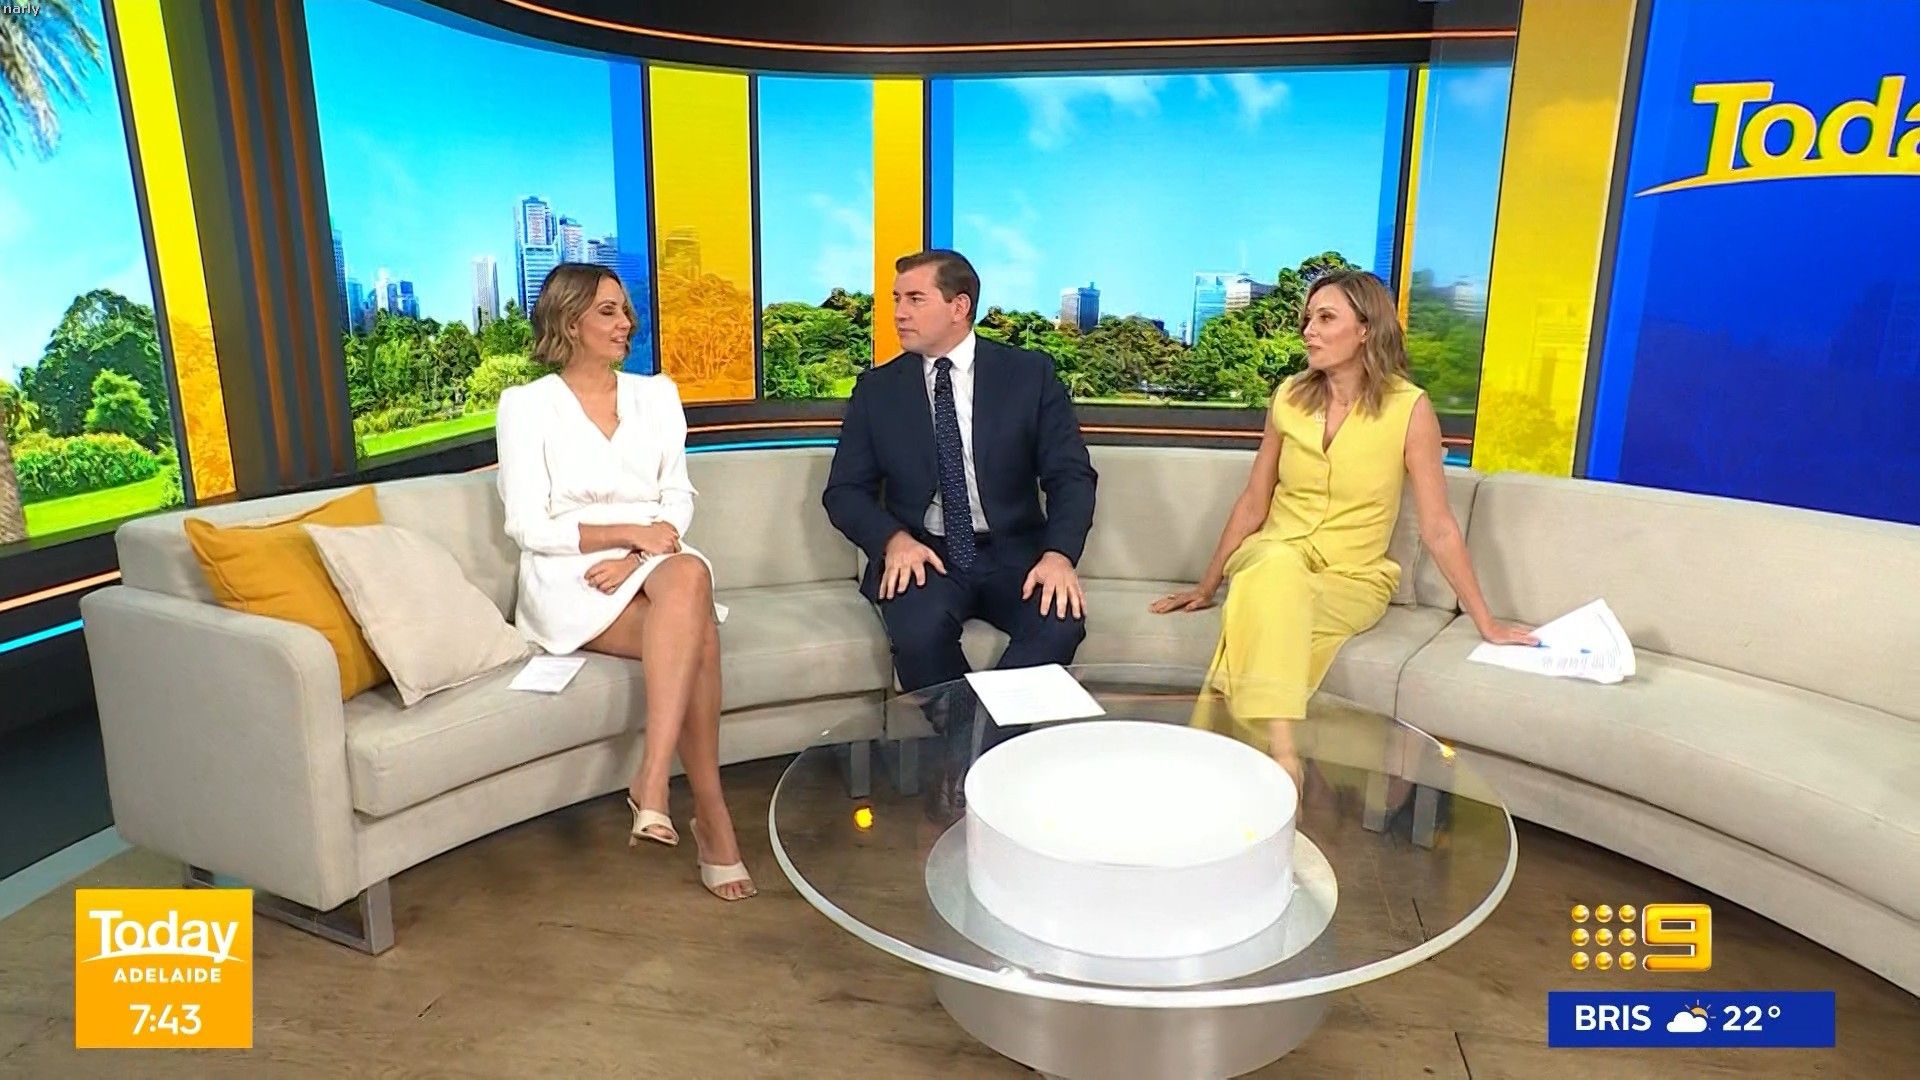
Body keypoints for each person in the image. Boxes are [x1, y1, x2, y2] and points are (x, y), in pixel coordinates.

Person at [1150, 270, 1536, 780]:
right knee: (1274, 569)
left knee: (1258, 614)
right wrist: (1207, 585)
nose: (1308, 330)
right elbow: (1254, 501)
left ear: (1366, 329)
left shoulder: (1409, 410)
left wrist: (1486, 621)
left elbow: (1439, 527)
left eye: (1326, 318)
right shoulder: (1288, 397)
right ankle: (1284, 756)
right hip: (1271, 555)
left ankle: (1220, 768)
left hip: (1352, 580)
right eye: (1308, 318)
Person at [494, 263, 754, 901]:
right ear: (569, 321)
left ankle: (653, 780)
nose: (626, 324)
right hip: (572, 572)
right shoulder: (526, 406)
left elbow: (677, 496)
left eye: (625, 311)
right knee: (698, 635)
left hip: (655, 560)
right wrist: (629, 535)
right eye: (608, 311)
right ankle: (711, 817)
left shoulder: (656, 395)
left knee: (688, 572)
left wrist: (640, 553)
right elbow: (528, 525)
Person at [823, 249, 1098, 749]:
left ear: (959, 306)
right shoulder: (877, 390)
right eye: (896, 300)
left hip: (1014, 551)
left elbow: (1071, 476)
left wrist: (1058, 555)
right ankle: (988, 760)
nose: (898, 313)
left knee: (1059, 623)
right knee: (918, 633)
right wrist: (893, 541)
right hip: (924, 552)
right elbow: (844, 491)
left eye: (914, 299)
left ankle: (970, 756)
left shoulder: (1029, 375)